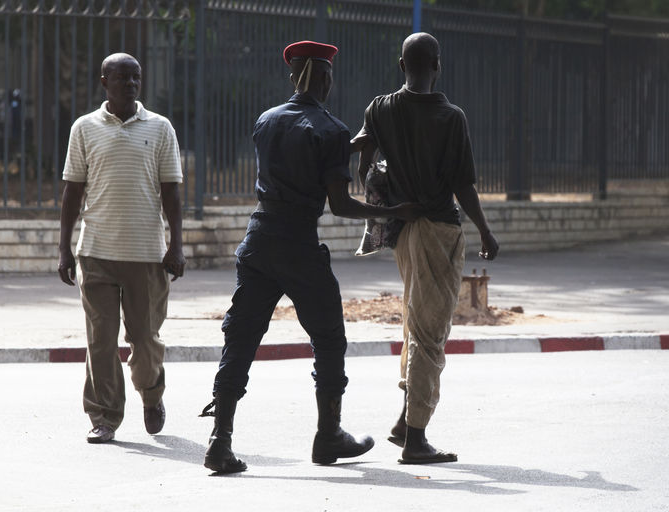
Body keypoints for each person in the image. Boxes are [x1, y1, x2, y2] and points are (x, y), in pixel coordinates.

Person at [201, 40, 422, 474]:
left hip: (260, 239)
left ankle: (219, 442)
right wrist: (393, 211)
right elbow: (340, 204)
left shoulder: (266, 120)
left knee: (241, 338)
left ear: (292, 77)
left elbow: (302, 148)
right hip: (299, 246)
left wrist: (350, 146)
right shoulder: (332, 129)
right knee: (329, 339)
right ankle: (328, 437)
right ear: (324, 78)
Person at [353, 32, 500, 464]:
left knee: (415, 325)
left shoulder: (379, 108)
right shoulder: (451, 117)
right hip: (440, 229)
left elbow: (364, 159)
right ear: (437, 64)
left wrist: (388, 195)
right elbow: (462, 185)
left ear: (402, 65)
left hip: (403, 229)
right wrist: (486, 232)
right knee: (430, 335)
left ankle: (404, 421)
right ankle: (416, 440)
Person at [58, 53, 185, 444]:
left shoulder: (161, 128)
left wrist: (177, 245)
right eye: (122, 78)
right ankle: (104, 416)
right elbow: (72, 191)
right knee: (101, 339)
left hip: (147, 256)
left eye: (136, 78)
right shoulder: (84, 128)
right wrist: (64, 249)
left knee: (145, 341)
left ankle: (151, 394)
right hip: (95, 253)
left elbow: (172, 192)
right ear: (104, 81)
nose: (131, 84)